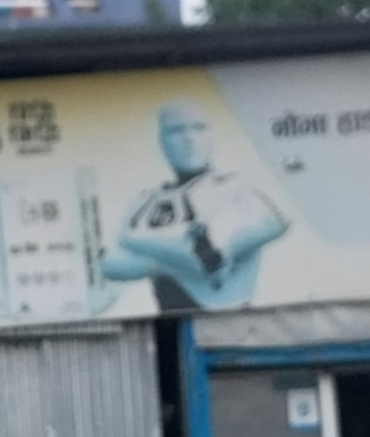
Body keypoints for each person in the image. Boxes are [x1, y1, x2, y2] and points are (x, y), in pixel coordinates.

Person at [100, 98, 289, 311]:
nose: (189, 139)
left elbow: (204, 256)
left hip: (230, 319)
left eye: (199, 128)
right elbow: (109, 266)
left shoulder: (239, 189)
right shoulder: (144, 203)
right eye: (176, 130)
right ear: (161, 141)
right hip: (169, 320)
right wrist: (173, 253)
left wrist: (136, 243)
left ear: (212, 136)